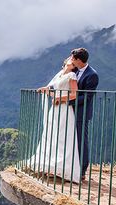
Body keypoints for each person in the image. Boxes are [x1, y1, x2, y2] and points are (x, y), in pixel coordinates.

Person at [29, 58, 81, 183]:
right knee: (52, 134)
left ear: (74, 66)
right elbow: (54, 91)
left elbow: (74, 94)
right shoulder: (59, 74)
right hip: (55, 107)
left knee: (63, 136)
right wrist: (46, 91)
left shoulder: (72, 75)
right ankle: (51, 165)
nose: (72, 60)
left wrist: (61, 99)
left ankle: (63, 168)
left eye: (74, 61)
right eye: (71, 58)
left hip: (64, 108)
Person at [69, 48, 99, 180]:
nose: (71, 60)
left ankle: (82, 170)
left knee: (81, 140)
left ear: (79, 60)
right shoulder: (73, 70)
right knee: (70, 139)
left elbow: (87, 98)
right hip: (69, 112)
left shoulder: (92, 75)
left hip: (81, 112)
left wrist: (69, 102)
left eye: (73, 58)